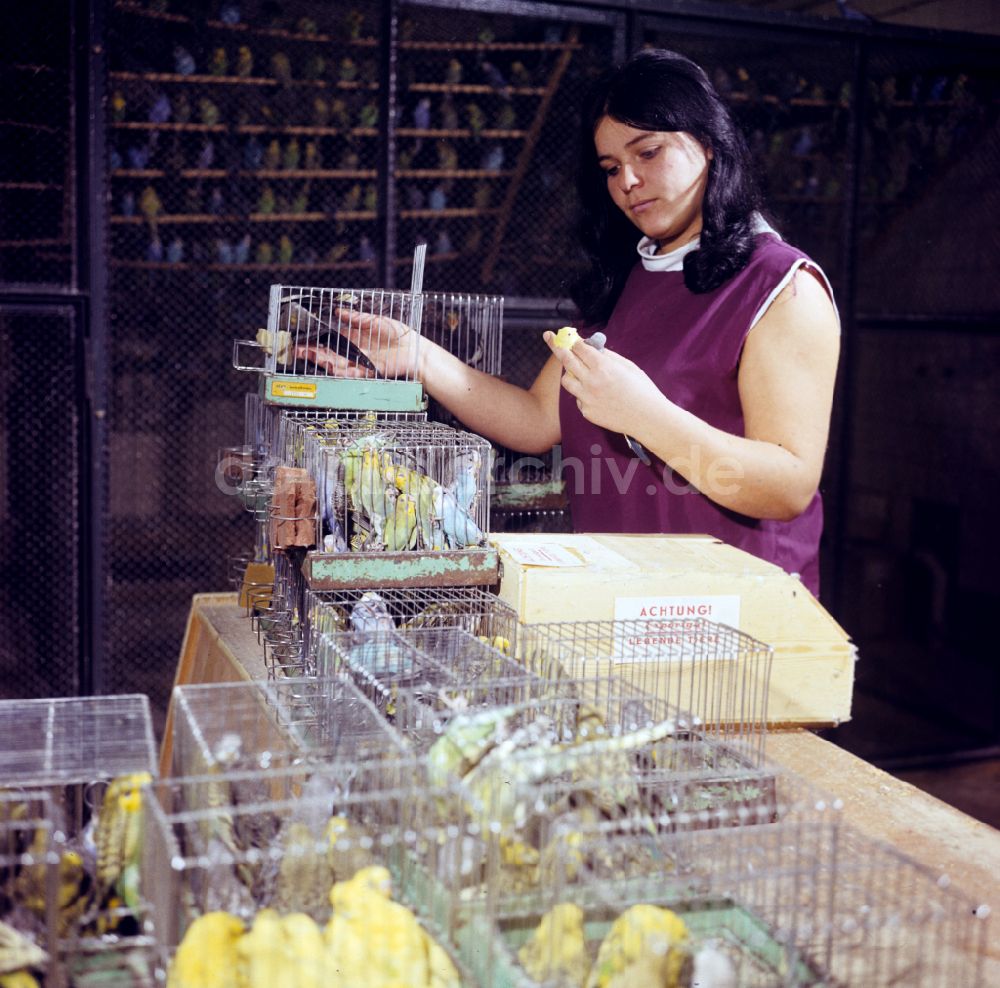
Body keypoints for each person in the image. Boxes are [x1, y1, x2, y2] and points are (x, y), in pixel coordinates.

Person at [299, 48, 840, 596]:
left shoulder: (781, 285)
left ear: (708, 143)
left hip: (738, 611)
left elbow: (789, 485)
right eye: (610, 168)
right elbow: (537, 420)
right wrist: (419, 355)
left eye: (648, 152)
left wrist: (646, 416)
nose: (628, 180)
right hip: (621, 604)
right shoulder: (633, 277)